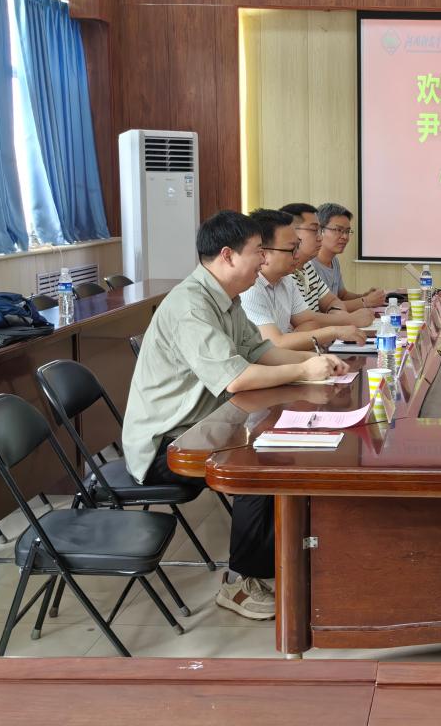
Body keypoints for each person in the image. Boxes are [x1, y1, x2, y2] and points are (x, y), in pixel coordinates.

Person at [122, 210, 350, 620]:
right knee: (257, 467)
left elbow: (260, 352)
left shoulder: (225, 298)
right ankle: (241, 583)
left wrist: (317, 363)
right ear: (227, 255)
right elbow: (237, 378)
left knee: (285, 447)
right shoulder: (191, 305)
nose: (264, 260)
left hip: (210, 423)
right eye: (257, 251)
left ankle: (289, 555)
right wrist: (303, 370)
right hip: (167, 443)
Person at [241, 208, 371, 351]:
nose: (297, 255)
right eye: (292, 249)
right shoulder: (249, 288)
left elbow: (309, 322)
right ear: (263, 253)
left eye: (298, 247)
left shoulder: (286, 280)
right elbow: (275, 344)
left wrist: (296, 340)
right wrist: (335, 331)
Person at [313, 203, 385, 312]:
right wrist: (366, 301)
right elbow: (325, 308)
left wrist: (364, 296)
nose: (345, 237)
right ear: (320, 230)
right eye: (338, 230)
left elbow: (342, 295)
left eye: (347, 231)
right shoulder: (309, 265)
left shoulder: (334, 260)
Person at [279, 203, 348, 314]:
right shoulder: (284, 274)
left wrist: (335, 314)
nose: (320, 238)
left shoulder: (307, 267)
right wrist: (345, 318)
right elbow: (305, 320)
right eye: (314, 230)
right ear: (291, 232)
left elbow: (332, 301)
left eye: (320, 231)